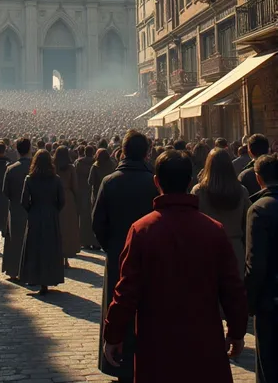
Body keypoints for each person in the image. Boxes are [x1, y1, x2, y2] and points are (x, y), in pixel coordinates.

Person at [103, 150, 249, 383]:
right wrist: (236, 329)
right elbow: (232, 287)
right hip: (204, 338)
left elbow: (126, 291)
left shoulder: (142, 230)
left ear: (156, 182)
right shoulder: (213, 230)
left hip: (157, 339)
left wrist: (113, 334)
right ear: (189, 181)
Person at [92, 130, 158, 383]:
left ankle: (117, 364)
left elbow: (98, 222)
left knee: (117, 307)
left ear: (122, 151)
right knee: (147, 311)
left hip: (119, 253)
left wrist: (111, 246)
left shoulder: (110, 181)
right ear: (146, 153)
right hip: (151, 255)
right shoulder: (154, 180)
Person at [245, 154, 278, 383]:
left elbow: (255, 263)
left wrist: (249, 302)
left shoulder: (259, 209)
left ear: (258, 178)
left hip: (271, 300)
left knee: (269, 366)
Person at [192, 147, 250, 277]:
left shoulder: (199, 191)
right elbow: (248, 222)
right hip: (234, 247)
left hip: (206, 249)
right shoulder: (241, 191)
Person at [19, 149, 65, 295]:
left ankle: (35, 277)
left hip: (35, 214)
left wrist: (32, 211)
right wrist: (53, 210)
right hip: (50, 215)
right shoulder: (56, 179)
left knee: (35, 248)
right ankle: (49, 278)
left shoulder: (30, 179)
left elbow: (24, 201)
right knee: (50, 248)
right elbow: (62, 201)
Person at [2, 137, 31, 280]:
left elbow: (5, 192)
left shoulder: (11, 169)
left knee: (15, 241)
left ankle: (13, 271)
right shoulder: (35, 168)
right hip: (32, 209)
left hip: (15, 209)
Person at [54, 145, 80, 268]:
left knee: (56, 226)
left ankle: (56, 255)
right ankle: (65, 258)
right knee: (67, 228)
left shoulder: (53, 167)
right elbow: (74, 185)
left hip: (55, 196)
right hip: (68, 197)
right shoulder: (70, 168)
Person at [75, 144, 97, 249]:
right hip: (93, 192)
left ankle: (84, 240)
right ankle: (94, 240)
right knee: (93, 216)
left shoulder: (79, 163)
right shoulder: (96, 163)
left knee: (83, 217)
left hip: (82, 191)